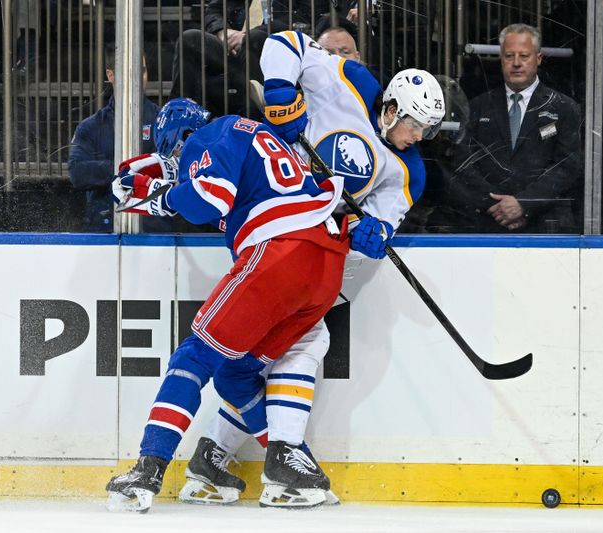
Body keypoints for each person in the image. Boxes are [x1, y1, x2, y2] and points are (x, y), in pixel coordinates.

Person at [177, 30, 445, 508]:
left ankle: (216, 457)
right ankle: (280, 462)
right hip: (263, 217)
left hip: (306, 251)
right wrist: (281, 86)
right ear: (394, 109)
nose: (418, 137)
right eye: (416, 126)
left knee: (267, 353)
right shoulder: (352, 80)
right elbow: (286, 42)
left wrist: (376, 234)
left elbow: (384, 220)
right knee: (303, 341)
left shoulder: (409, 171)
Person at [105, 97, 351, 513]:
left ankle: (148, 468)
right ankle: (291, 466)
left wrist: (163, 198)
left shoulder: (207, 136)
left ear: (180, 139)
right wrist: (157, 193)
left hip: (283, 251)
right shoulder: (254, 137)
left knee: (193, 356)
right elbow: (228, 204)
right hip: (324, 268)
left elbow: (208, 200)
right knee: (236, 375)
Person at [448, 23, 582, 233]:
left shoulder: (564, 108)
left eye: (524, 56)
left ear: (538, 58)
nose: (517, 63)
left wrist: (523, 204)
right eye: (509, 56)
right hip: (490, 223)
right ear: (501, 59)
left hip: (547, 226)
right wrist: (499, 207)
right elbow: (463, 161)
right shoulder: (478, 106)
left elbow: (567, 167)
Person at [169, 0, 342, 117]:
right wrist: (223, 31)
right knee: (190, 40)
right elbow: (214, 10)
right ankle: (181, 118)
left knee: (256, 40)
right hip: (235, 55)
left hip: (280, 57)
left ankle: (256, 124)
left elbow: (306, 19)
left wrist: (249, 35)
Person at [67, 47, 167, 233]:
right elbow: (77, 172)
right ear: (111, 75)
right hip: (103, 228)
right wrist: (126, 171)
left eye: (142, 71)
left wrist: (119, 174)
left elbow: (174, 170)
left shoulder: (163, 121)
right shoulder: (91, 126)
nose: (137, 78)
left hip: (155, 230)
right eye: (129, 72)